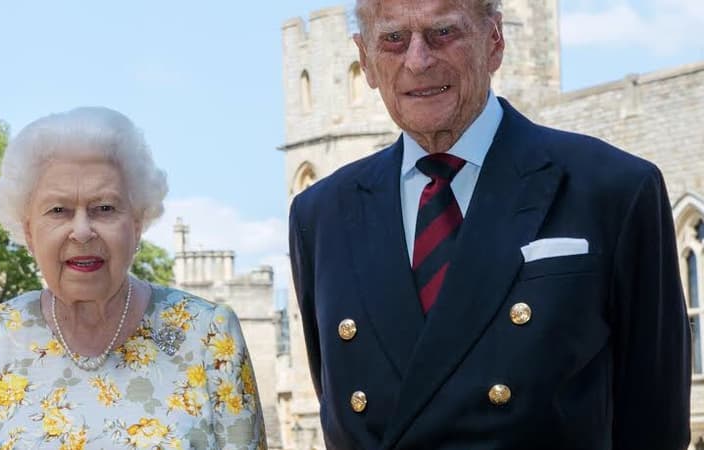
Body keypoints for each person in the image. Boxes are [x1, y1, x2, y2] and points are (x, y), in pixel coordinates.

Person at [288, 0, 691, 449]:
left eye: (443, 33)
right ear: (364, 60)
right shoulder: (320, 215)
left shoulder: (613, 189)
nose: (418, 61)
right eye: (393, 39)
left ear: (494, 42)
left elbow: (655, 424)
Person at [0, 107, 267, 449]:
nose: (82, 231)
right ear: (29, 233)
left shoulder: (209, 335)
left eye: (105, 208)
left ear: (137, 225)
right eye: (58, 211)